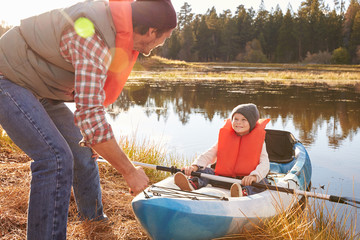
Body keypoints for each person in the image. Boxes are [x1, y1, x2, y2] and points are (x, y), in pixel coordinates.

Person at [0, 0, 177, 239]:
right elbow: (91, 119)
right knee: (55, 158)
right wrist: (129, 171)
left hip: (37, 86)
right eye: (163, 38)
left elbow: (91, 122)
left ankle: (95, 222)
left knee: (82, 150)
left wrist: (95, 140)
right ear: (152, 31)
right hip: (8, 78)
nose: (159, 45)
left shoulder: (112, 34)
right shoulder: (93, 37)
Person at [174, 103, 270, 197]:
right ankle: (193, 184)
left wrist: (253, 176)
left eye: (243, 120)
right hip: (222, 178)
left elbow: (265, 163)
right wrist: (195, 166)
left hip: (243, 181)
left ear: (252, 122)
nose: (238, 122)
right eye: (235, 119)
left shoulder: (259, 142)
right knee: (205, 171)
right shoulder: (226, 137)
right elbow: (209, 154)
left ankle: (243, 192)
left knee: (263, 182)